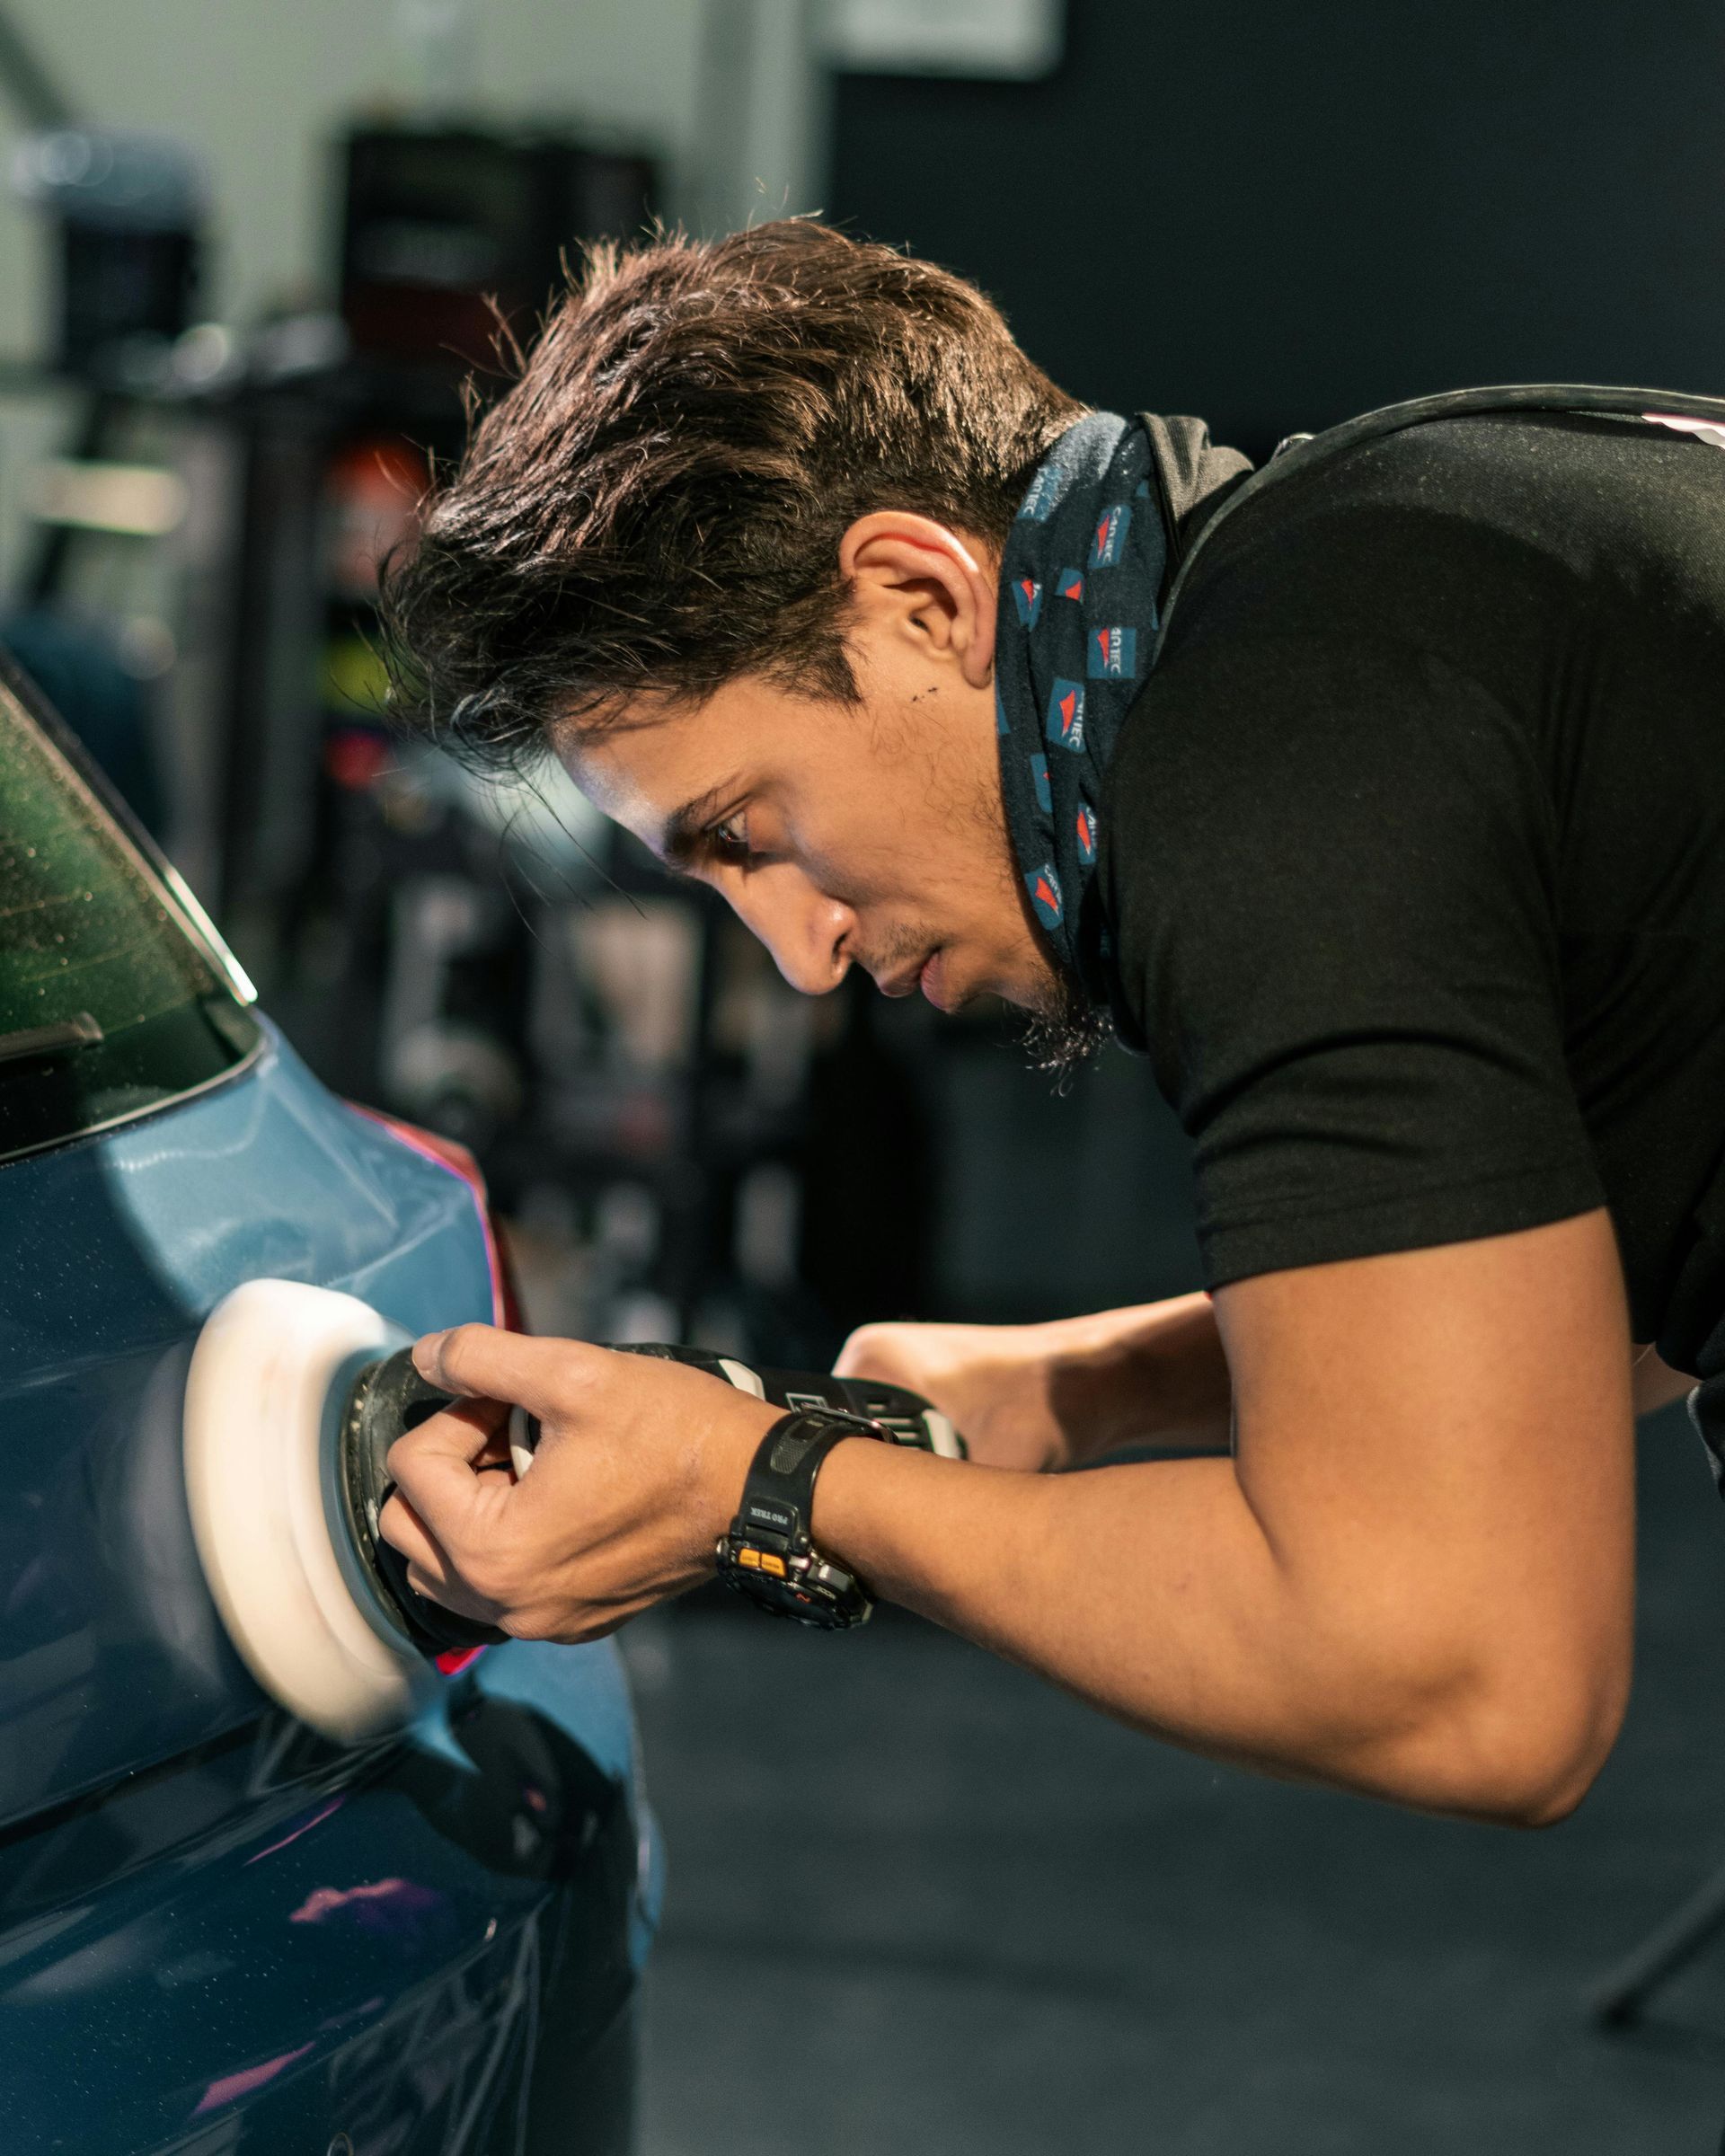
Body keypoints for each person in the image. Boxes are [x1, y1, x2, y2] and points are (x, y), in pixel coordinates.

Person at [376, 219, 1723, 1828]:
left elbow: (1462, 1676)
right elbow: (1586, 1307)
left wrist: (763, 1489)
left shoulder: (1274, 771)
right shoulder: (1410, 544)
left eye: (750, 830)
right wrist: (1074, 1390)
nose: (803, 955)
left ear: (918, 598)